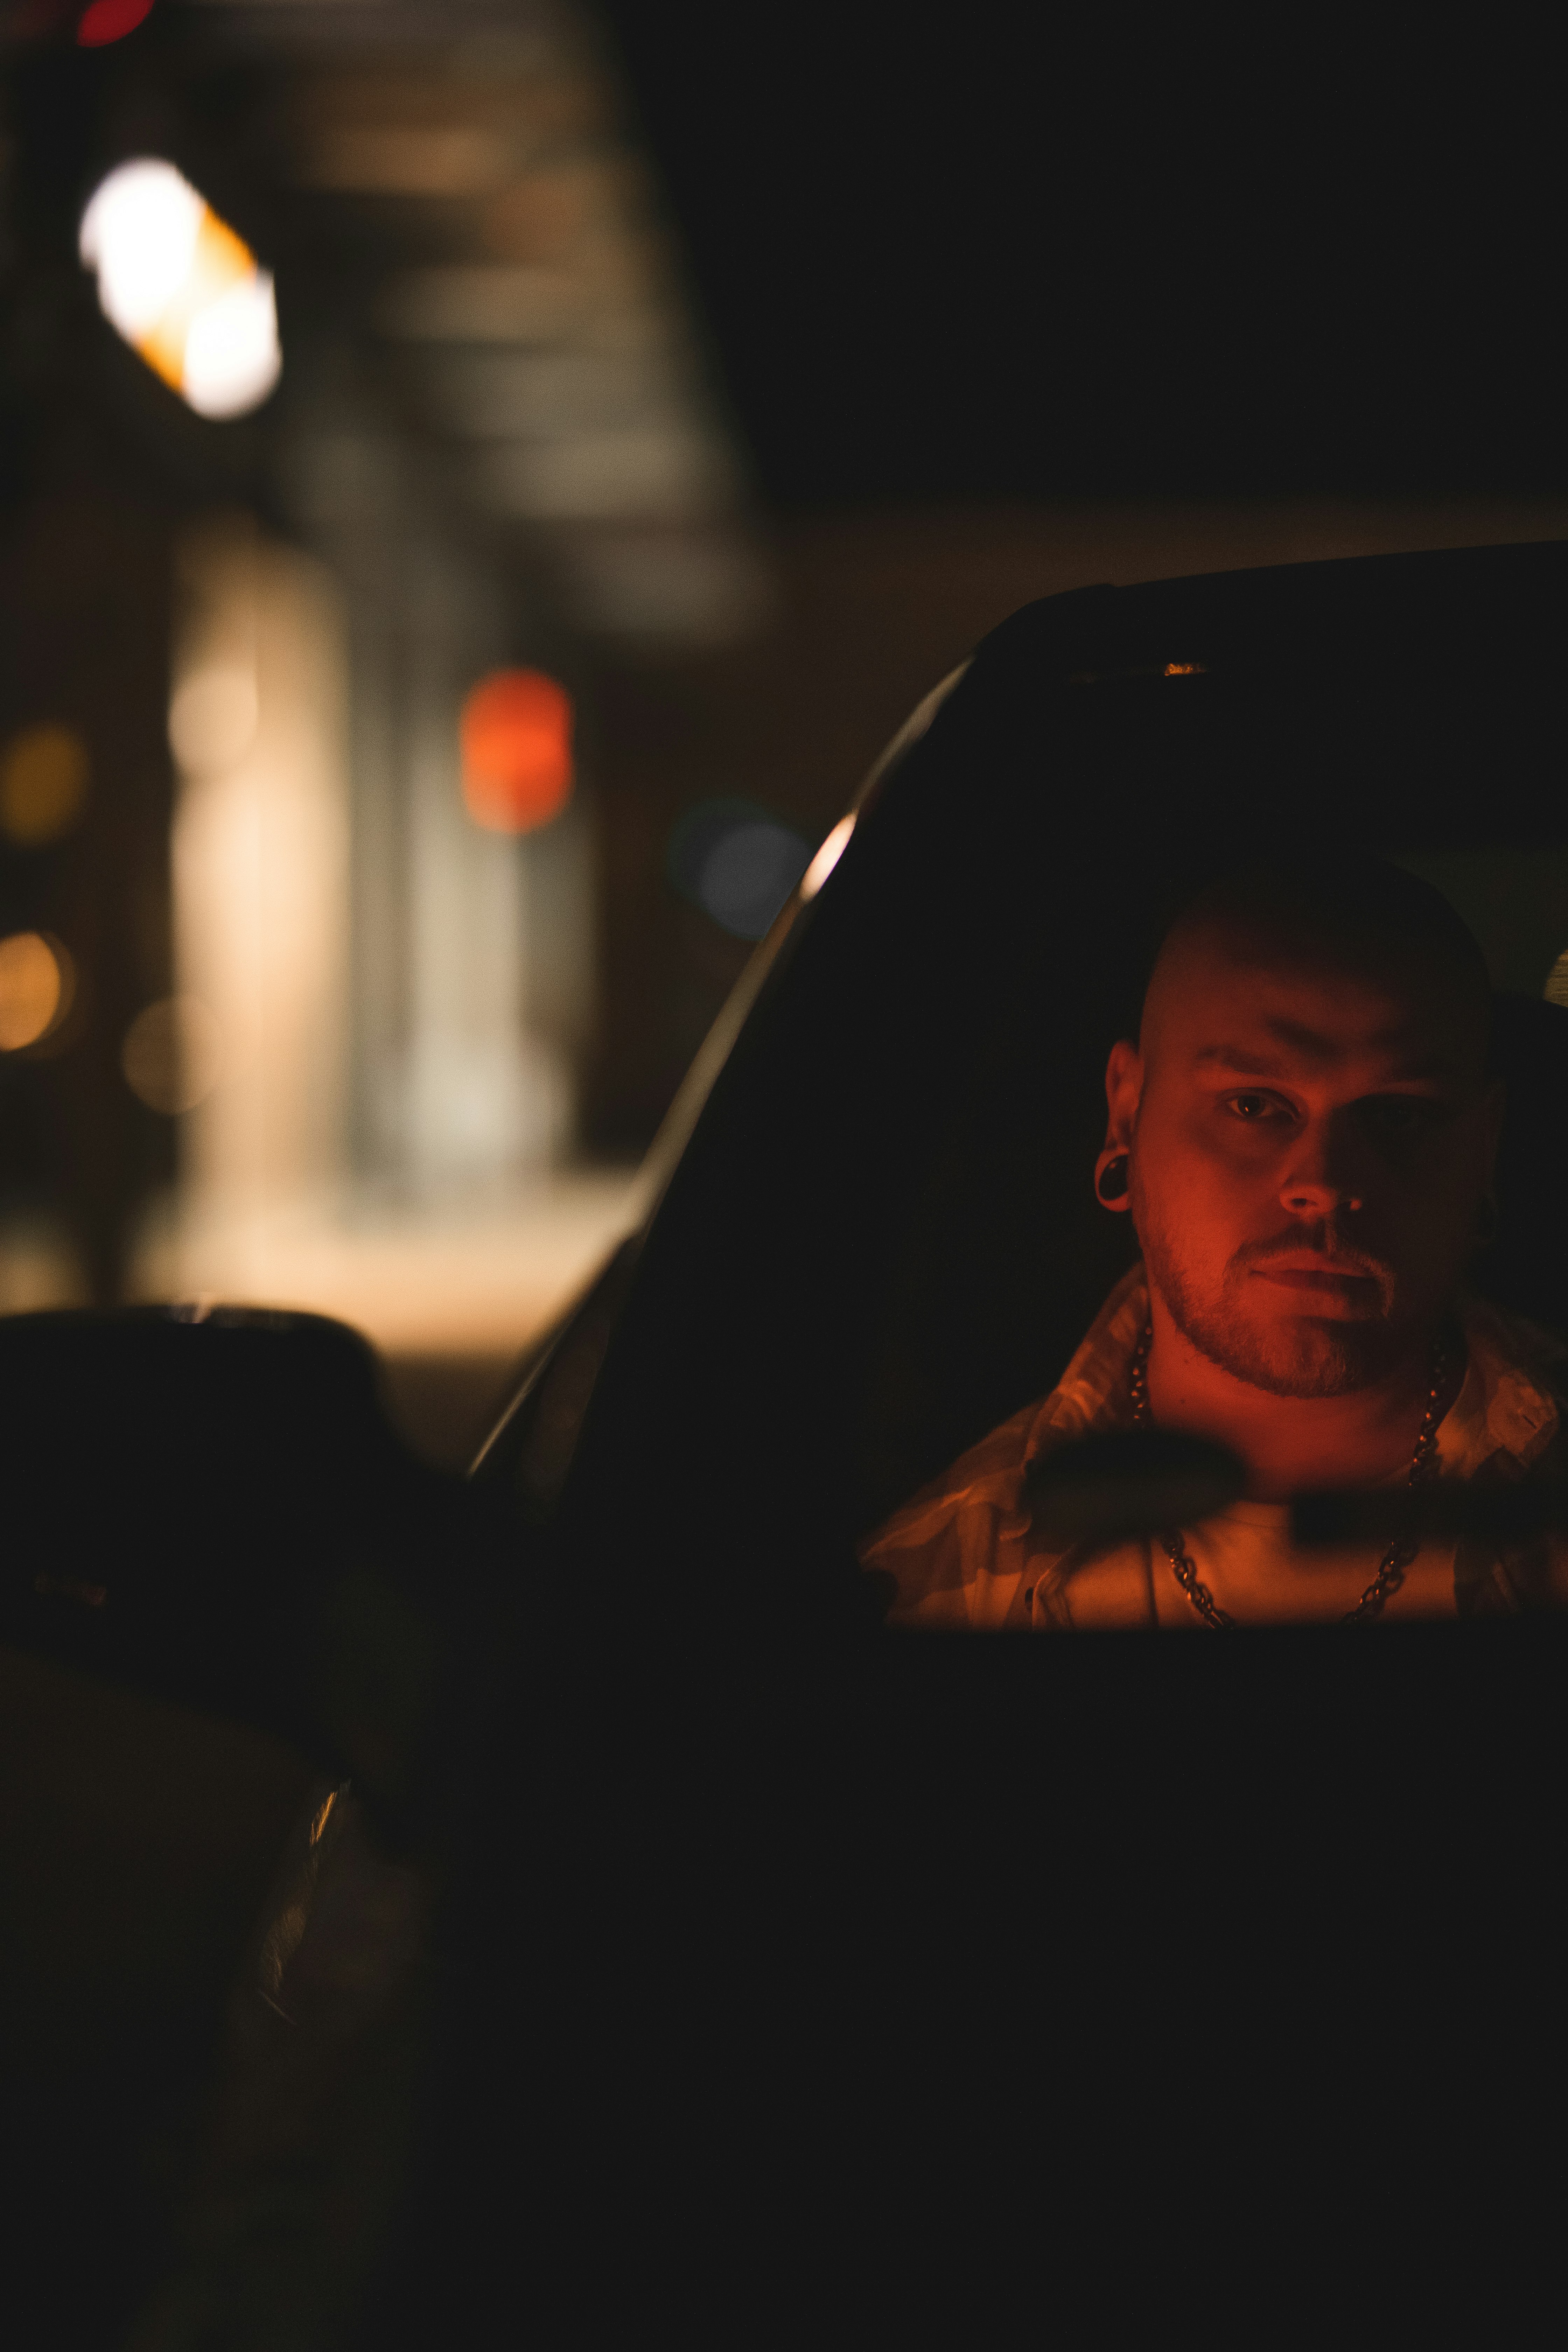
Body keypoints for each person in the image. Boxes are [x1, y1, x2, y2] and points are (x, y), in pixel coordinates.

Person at [860, 855, 1568, 1628]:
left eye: (1396, 1115)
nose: (1324, 1182)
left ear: (1485, 1149)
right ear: (1126, 1119)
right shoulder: (938, 1591)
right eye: (1254, 1104)